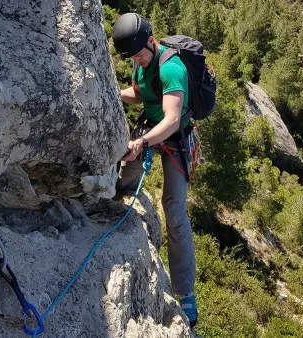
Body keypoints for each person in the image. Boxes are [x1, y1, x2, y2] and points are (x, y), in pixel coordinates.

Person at [112, 12, 198, 328]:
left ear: (151, 40)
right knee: (124, 181)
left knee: (174, 210)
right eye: (132, 57)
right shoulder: (141, 58)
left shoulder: (172, 69)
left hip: (175, 138)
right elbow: (139, 94)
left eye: (139, 55)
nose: (137, 60)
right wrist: (113, 92)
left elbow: (172, 120)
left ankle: (186, 295)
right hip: (151, 127)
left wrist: (143, 143)